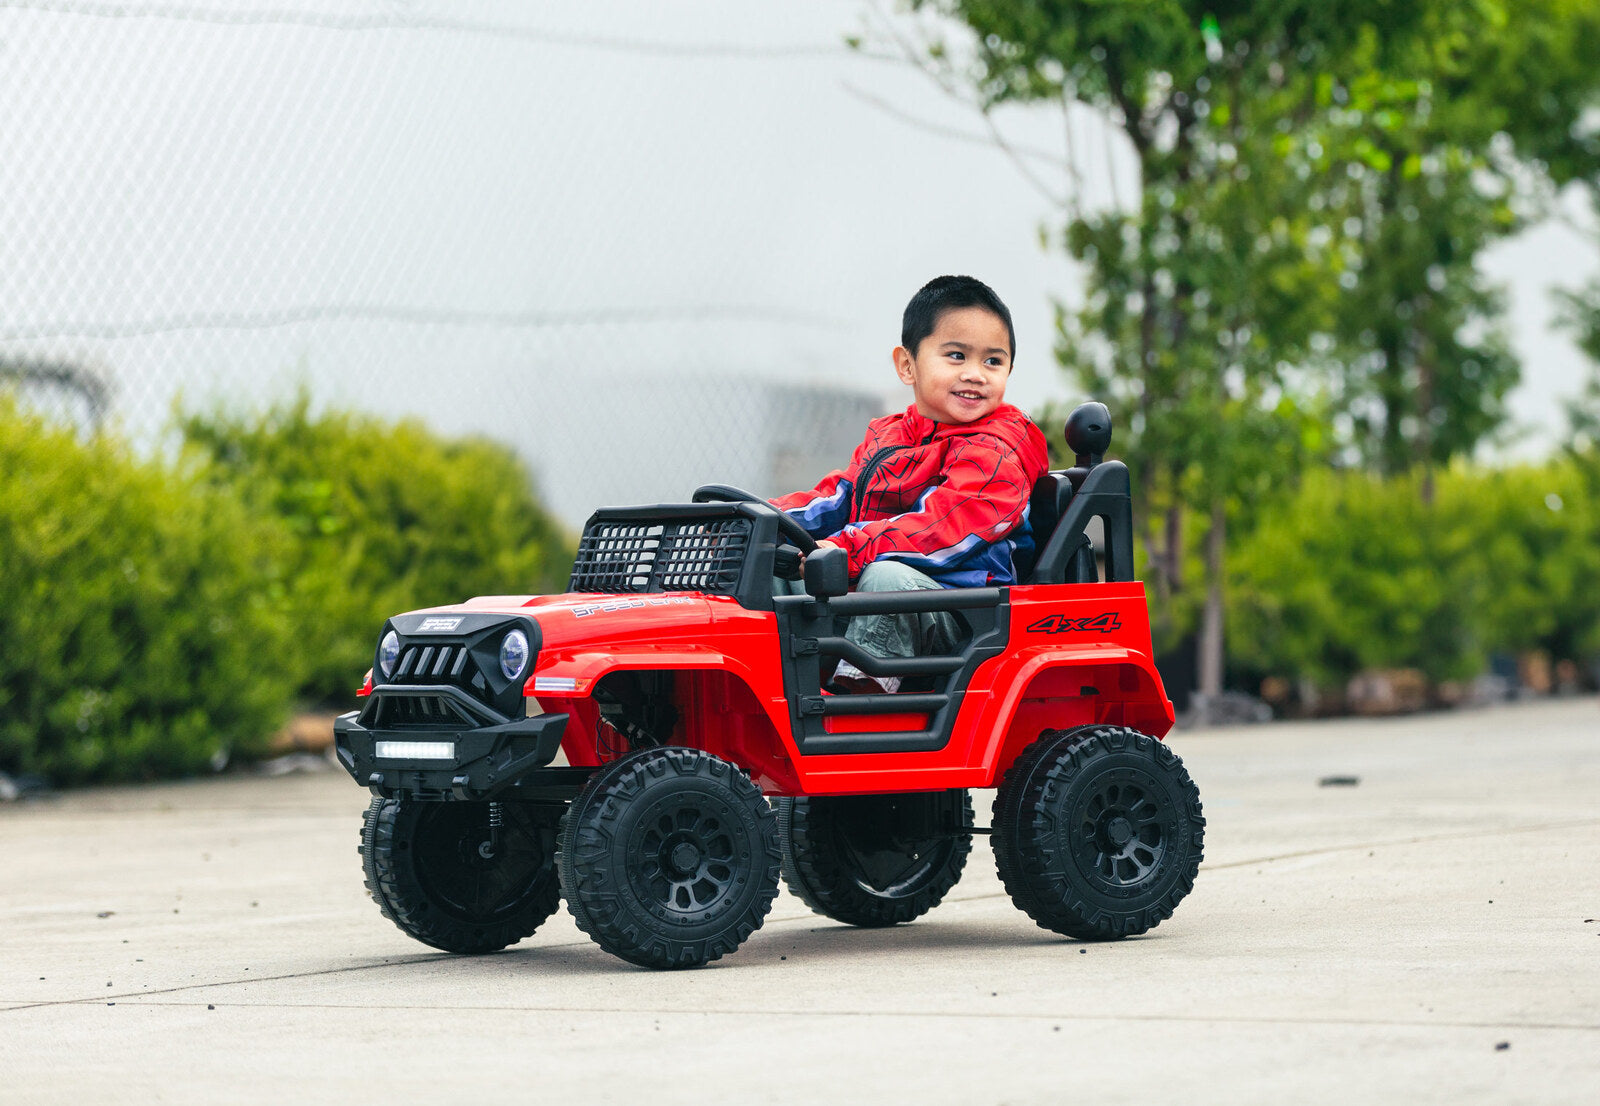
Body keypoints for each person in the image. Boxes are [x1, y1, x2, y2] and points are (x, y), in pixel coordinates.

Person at [771, 275, 1049, 693]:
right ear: (907, 365)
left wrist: (846, 550)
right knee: (773, 575)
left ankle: (863, 702)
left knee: (887, 580)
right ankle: (770, 694)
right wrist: (763, 520)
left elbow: (941, 529)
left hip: (964, 613)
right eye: (957, 356)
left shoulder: (998, 452)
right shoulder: (891, 436)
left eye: (993, 361)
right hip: (871, 591)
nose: (975, 374)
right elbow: (838, 497)